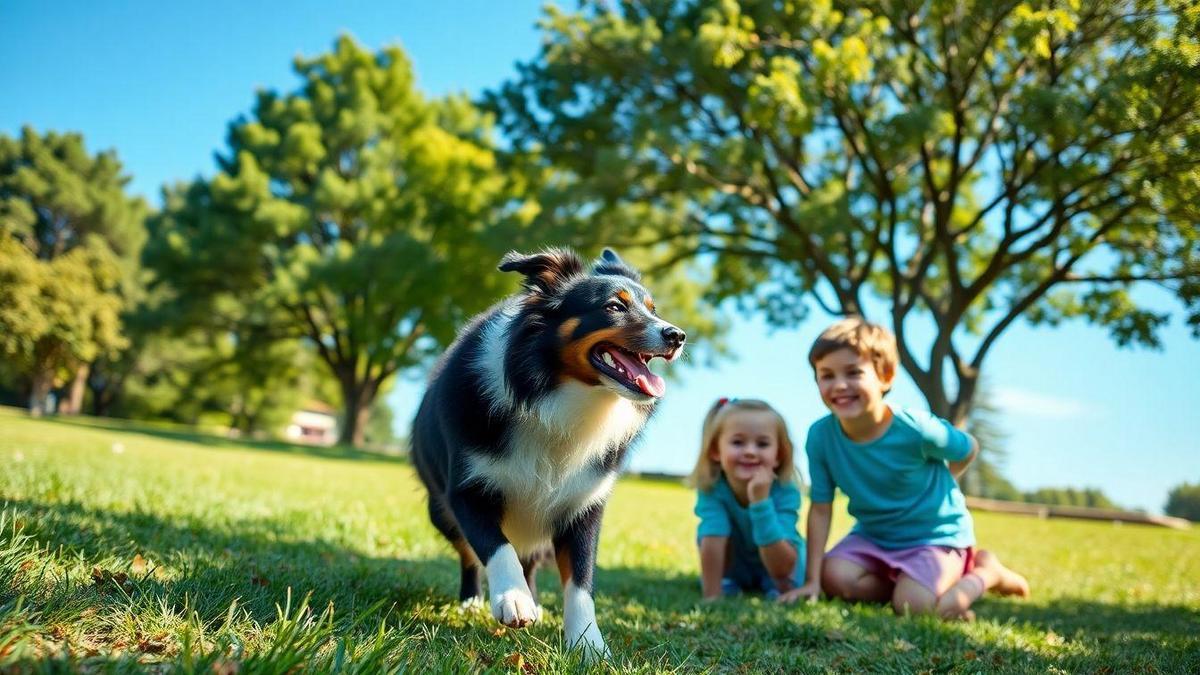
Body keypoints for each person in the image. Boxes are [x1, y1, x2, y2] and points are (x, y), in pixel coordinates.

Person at [778, 318, 1029, 619]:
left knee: (914, 608)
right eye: (826, 375)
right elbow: (821, 507)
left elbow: (968, 447)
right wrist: (813, 581)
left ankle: (987, 573)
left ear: (885, 376)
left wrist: (947, 481)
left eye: (853, 372)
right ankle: (909, 587)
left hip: (935, 537)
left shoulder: (916, 429)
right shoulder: (820, 436)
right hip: (873, 537)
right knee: (835, 578)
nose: (839, 385)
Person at [688, 398, 806, 600]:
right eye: (738, 442)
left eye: (762, 444)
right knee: (709, 532)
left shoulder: (785, 491)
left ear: (779, 454)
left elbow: (784, 567)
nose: (750, 451)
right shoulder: (712, 489)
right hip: (736, 567)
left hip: (781, 569)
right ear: (716, 450)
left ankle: (770, 585)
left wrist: (760, 503)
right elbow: (712, 537)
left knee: (784, 584)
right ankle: (730, 581)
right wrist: (712, 596)